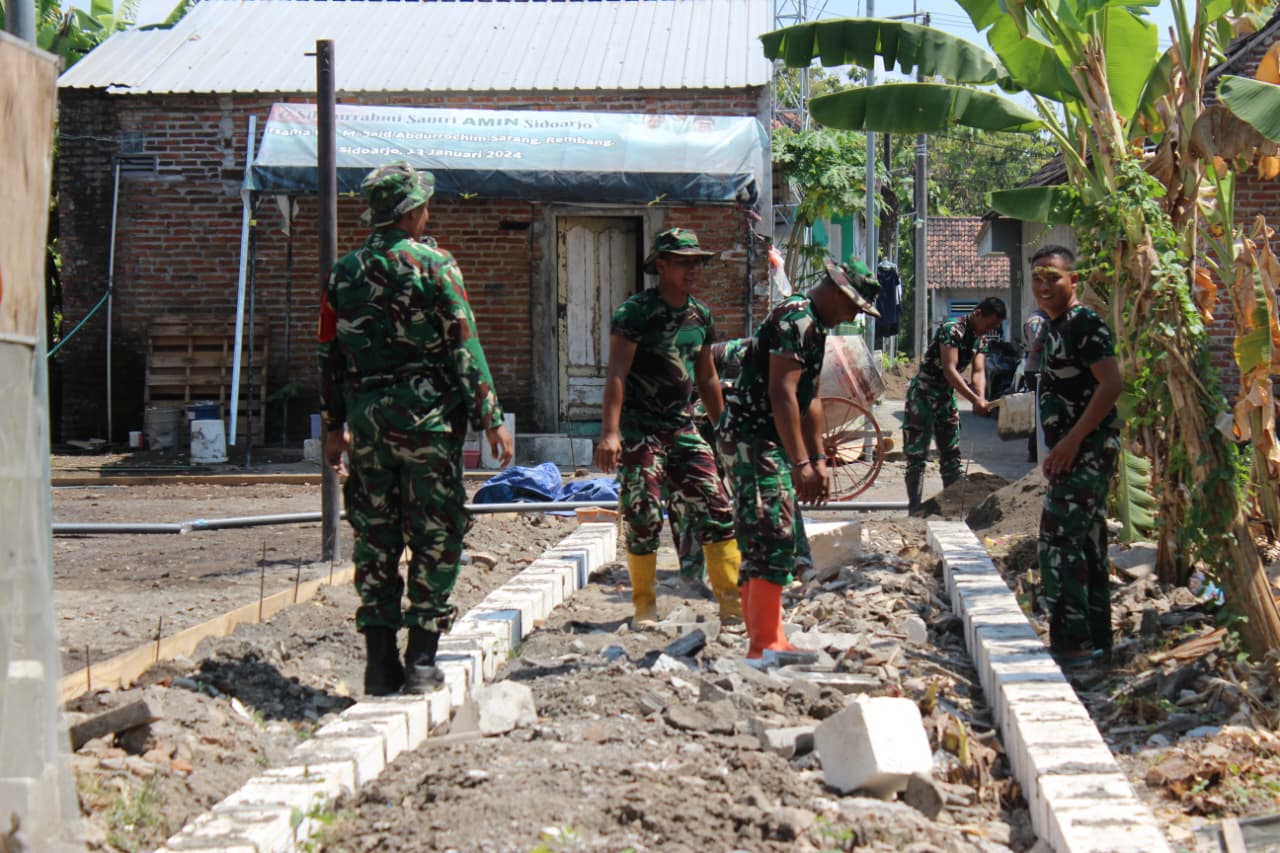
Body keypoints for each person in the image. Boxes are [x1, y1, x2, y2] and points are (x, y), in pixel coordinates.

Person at [318, 162, 514, 696]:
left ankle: (379, 666)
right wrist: (491, 416)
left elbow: (329, 354)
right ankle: (422, 660)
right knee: (436, 534)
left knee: (376, 538)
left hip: (368, 424)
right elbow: (463, 342)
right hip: (427, 425)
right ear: (411, 212)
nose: (429, 211)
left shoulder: (343, 273)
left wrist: (334, 426)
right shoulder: (435, 265)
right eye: (424, 204)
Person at [720, 258, 879, 658]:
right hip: (752, 438)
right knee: (771, 531)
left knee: (767, 532)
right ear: (838, 291)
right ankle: (764, 643)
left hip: (767, 439)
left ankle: (766, 637)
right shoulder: (796, 319)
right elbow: (782, 393)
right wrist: (800, 463)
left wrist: (820, 458)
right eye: (854, 307)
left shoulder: (816, 327)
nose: (853, 316)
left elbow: (811, 399)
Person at [593, 228, 743, 627]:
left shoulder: (700, 315)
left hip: (682, 428)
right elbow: (617, 374)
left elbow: (708, 378)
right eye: (683, 261)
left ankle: (731, 605)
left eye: (696, 261)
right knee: (642, 513)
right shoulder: (635, 313)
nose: (692, 269)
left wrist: (723, 429)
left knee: (716, 505)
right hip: (641, 430)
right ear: (661, 265)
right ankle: (645, 606)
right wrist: (610, 433)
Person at [1030, 245, 1121, 666]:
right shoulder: (1055, 326)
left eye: (1054, 278)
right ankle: (1096, 642)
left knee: (1060, 542)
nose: (1044, 287)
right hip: (1072, 453)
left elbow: (1111, 384)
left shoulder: (1084, 324)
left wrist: (1069, 443)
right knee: (1086, 543)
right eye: (1038, 278)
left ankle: (1072, 644)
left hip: (1086, 452)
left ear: (1074, 282)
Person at [667, 339, 814, 581]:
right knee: (692, 493)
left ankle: (799, 562)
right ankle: (692, 573)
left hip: (740, 427)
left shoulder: (793, 368)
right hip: (706, 423)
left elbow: (794, 410)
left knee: (780, 488)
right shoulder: (741, 359)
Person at [903, 297, 1007, 514]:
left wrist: (980, 395)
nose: (988, 330)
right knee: (916, 455)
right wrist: (973, 400)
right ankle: (914, 508)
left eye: (993, 328)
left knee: (951, 455)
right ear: (978, 313)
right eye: (988, 325)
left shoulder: (980, 338)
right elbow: (950, 370)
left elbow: (978, 371)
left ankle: (952, 509)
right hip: (922, 394)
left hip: (945, 397)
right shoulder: (952, 330)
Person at [1022, 307, 1051, 463]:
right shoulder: (1037, 320)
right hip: (1036, 371)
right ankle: (1034, 452)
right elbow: (1035, 345)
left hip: (1044, 370)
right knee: (1038, 412)